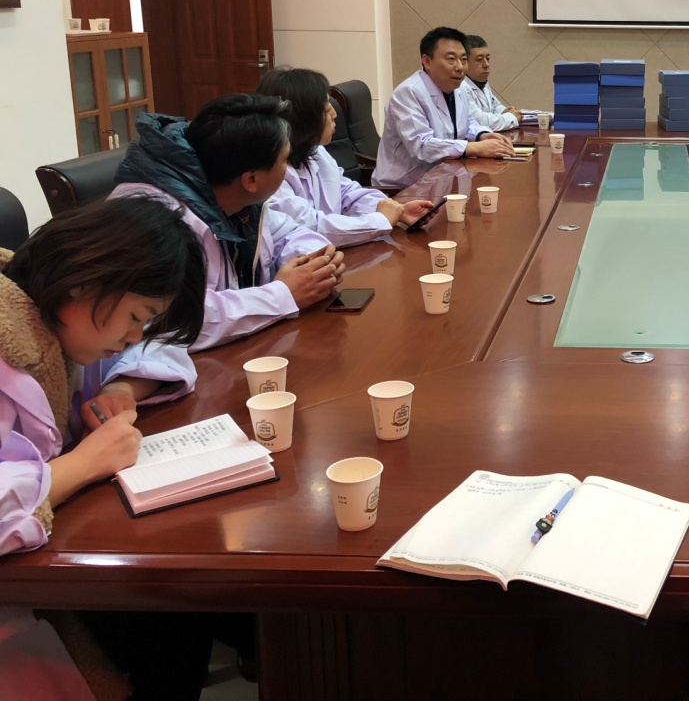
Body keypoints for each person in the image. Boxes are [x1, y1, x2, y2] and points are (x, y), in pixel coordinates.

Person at [0, 197, 225, 700]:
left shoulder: (51, 319)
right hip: (20, 594)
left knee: (179, 612)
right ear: (85, 281)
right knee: (170, 618)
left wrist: (123, 386)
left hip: (45, 564)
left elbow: (163, 347)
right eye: (136, 316)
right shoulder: (9, 342)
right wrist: (83, 464)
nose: (132, 337)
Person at [113, 94, 343, 352]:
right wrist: (282, 296)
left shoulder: (234, 195)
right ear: (251, 179)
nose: (287, 168)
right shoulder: (156, 219)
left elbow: (288, 232)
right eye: (284, 160)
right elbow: (169, 322)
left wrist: (312, 264)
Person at [256, 67, 434, 245]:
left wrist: (394, 209)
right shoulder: (270, 172)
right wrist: (378, 221)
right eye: (326, 109)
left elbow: (347, 193)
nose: (334, 114)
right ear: (303, 119)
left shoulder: (315, 151)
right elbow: (310, 225)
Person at [374, 26, 517, 188]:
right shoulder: (408, 93)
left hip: (444, 177)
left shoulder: (458, 89)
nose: (460, 67)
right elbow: (422, 146)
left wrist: (482, 135)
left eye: (463, 60)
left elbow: (468, 123)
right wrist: (473, 147)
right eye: (451, 59)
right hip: (404, 187)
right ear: (427, 61)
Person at [460, 34, 521, 132]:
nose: (486, 64)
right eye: (479, 60)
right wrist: (511, 117)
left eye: (487, 59)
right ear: (464, 62)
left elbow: (494, 105)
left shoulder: (482, 82)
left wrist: (505, 111)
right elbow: (480, 121)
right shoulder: (460, 87)